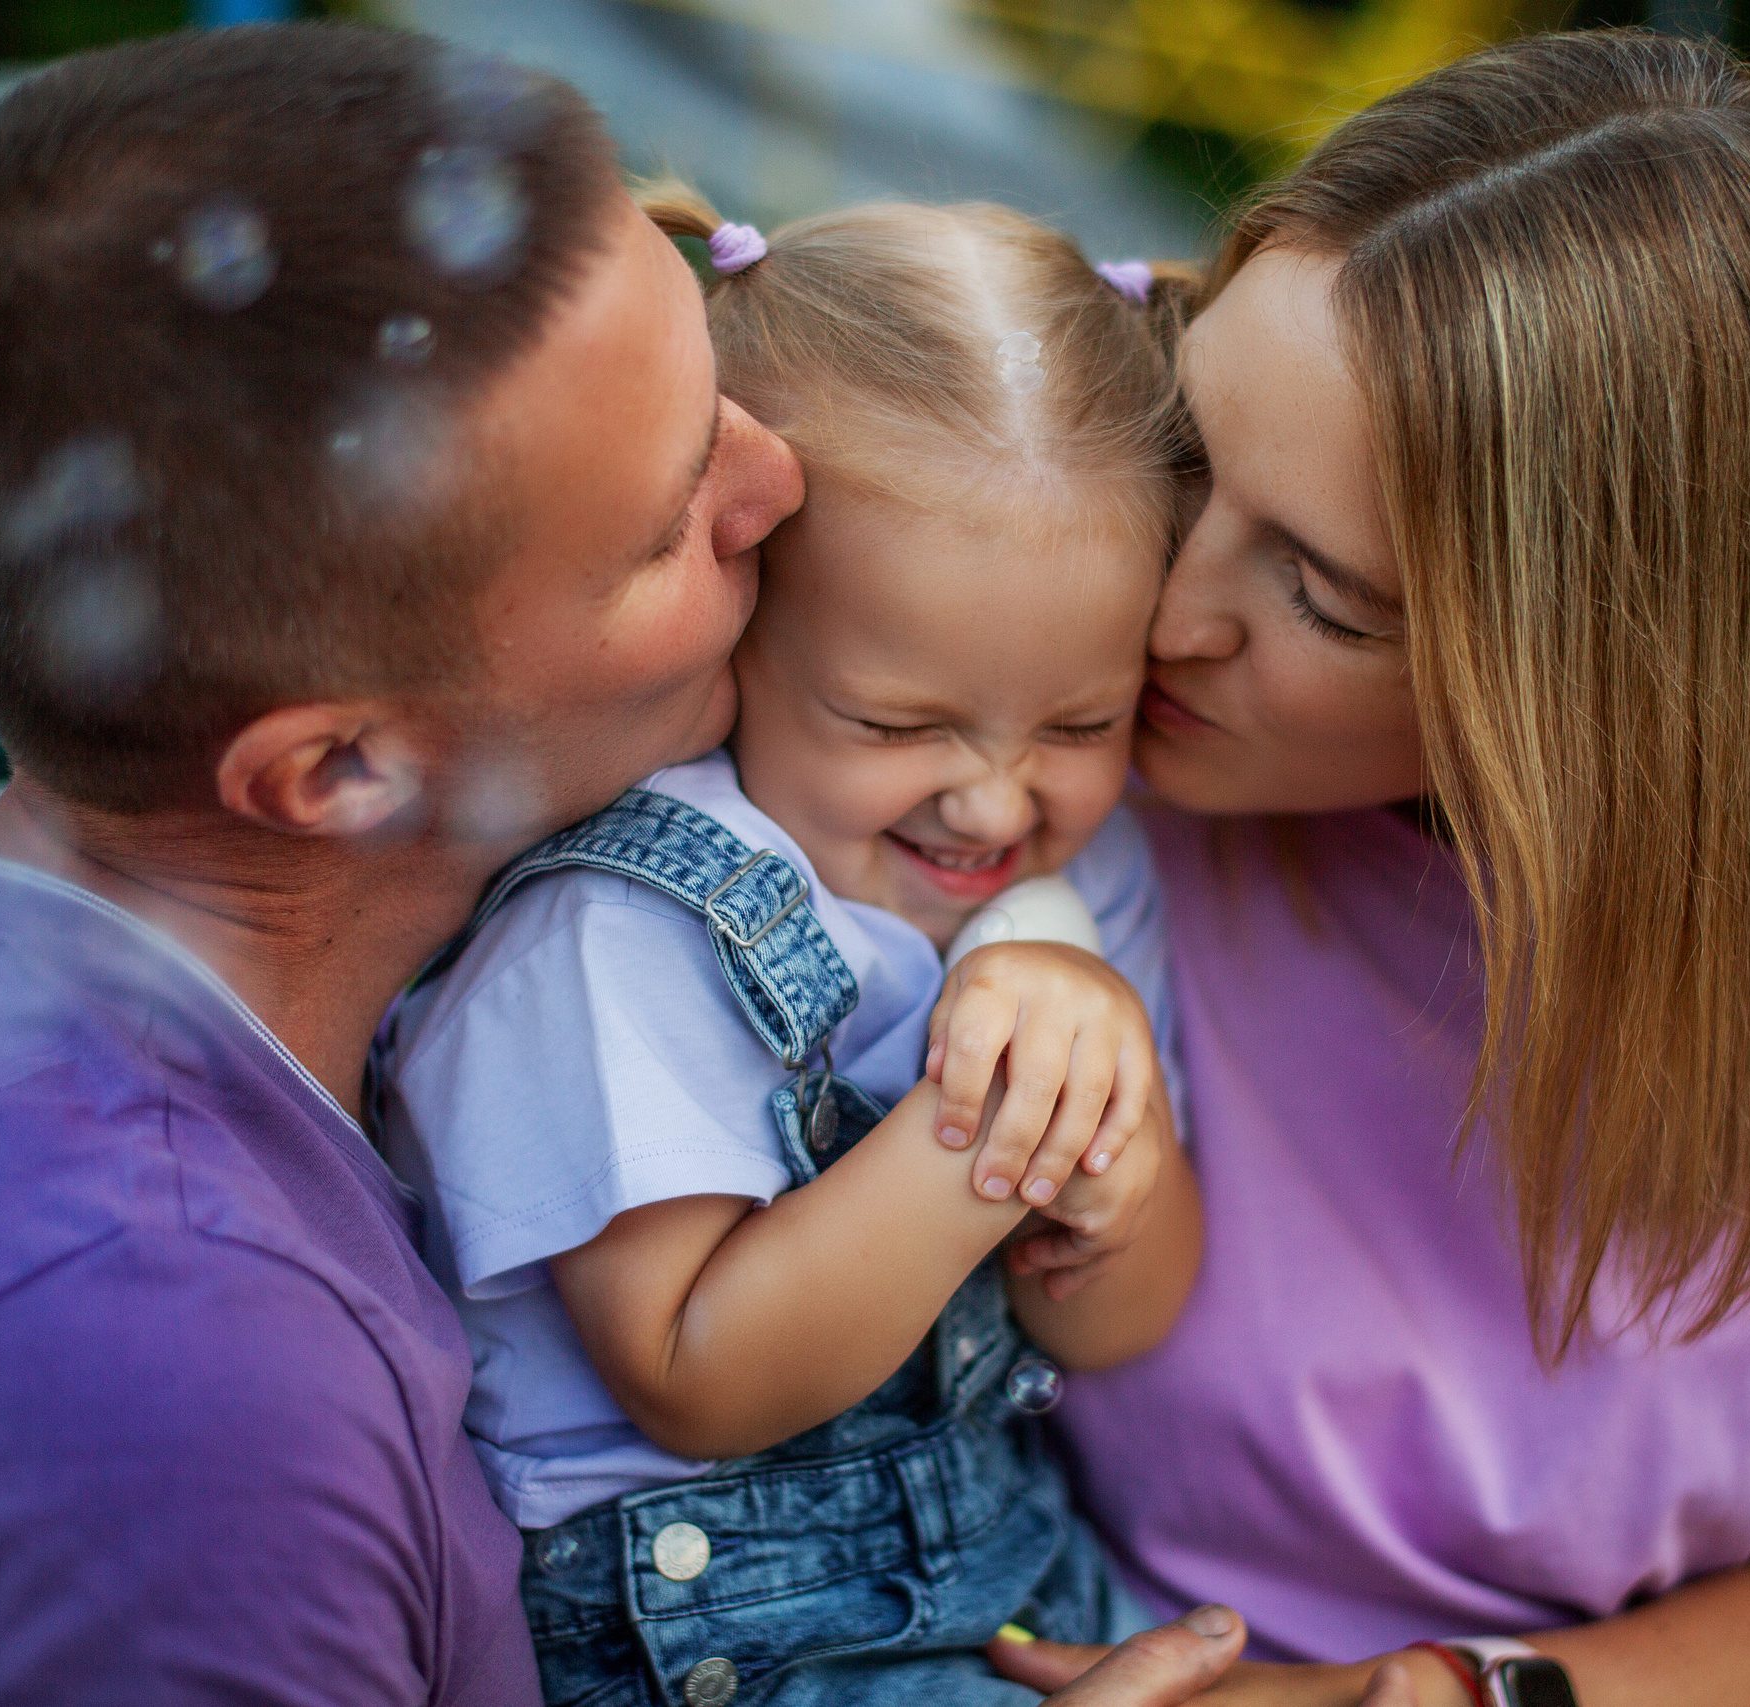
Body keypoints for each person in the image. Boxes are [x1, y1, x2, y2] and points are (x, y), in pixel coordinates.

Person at [0, 23, 1239, 1707]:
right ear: (342, 767)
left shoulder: (67, 986)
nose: (782, 484)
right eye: (670, 515)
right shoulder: (182, 1416)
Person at [990, 30, 1750, 1707]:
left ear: (1606, 674)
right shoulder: (1038, 768)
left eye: (1329, 598)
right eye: (1182, 455)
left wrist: (1435, 1698)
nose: (1170, 612)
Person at [375, 192, 1206, 1706]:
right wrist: (1000, 1128)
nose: (996, 797)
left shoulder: (1080, 880)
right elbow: (699, 1379)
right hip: (702, 1640)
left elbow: (1127, 1315)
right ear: (736, 637)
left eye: (1083, 723)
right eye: (897, 724)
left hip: (999, 1572)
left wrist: (1115, 1144)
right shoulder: (617, 935)